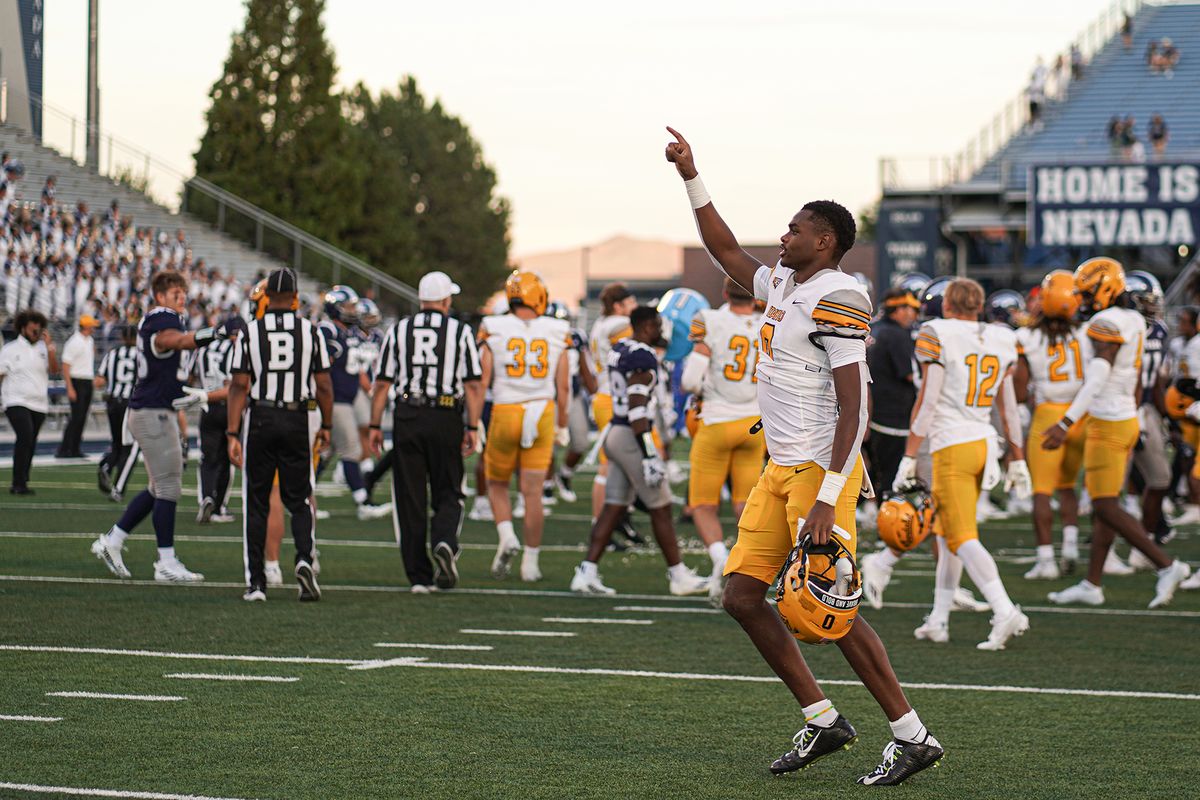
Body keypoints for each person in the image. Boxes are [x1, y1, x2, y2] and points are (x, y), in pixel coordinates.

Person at [666, 127, 942, 786]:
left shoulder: (837, 295)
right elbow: (723, 247)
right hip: (778, 465)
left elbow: (858, 407)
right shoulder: (783, 283)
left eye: (794, 230)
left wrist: (828, 495)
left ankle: (912, 735)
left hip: (820, 469)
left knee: (830, 608)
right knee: (741, 595)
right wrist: (691, 175)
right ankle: (823, 718)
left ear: (826, 242)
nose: (782, 237)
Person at [1045, 259, 1191, 608]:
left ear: (1104, 289)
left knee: (1104, 505)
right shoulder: (1135, 319)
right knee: (1105, 503)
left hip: (1108, 421)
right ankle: (1092, 583)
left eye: (1086, 292)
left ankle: (1167, 565)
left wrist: (1065, 423)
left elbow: (1097, 377)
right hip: (1125, 416)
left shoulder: (1106, 321)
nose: (1081, 299)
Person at [897, 278, 1032, 648]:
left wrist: (909, 453)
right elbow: (1008, 407)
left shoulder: (937, 332)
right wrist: (1018, 457)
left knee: (960, 536)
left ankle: (1005, 610)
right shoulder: (1001, 338)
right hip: (982, 444)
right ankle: (939, 619)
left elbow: (927, 400)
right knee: (947, 531)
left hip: (951, 446)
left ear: (946, 304)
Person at [89, 270, 232, 581]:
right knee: (168, 487)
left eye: (182, 292)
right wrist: (214, 333)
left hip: (156, 408)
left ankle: (112, 541)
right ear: (160, 296)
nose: (180, 297)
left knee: (159, 487)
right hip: (152, 411)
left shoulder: (165, 317)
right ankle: (165, 562)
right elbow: (174, 341)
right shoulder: (161, 318)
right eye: (173, 293)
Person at [569, 305, 709, 597]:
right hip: (631, 436)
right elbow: (636, 407)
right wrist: (648, 454)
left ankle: (586, 572)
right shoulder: (642, 355)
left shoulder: (621, 347)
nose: (660, 330)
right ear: (646, 325)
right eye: (657, 324)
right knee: (660, 507)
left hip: (615, 433)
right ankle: (678, 575)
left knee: (614, 506)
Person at [369, 271, 484, 593]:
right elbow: (474, 384)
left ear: (422, 300)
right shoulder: (460, 332)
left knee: (410, 497)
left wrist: (376, 425)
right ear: (446, 300)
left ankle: (419, 576)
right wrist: (472, 426)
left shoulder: (399, 330)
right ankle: (444, 540)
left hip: (408, 415)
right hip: (446, 414)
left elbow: (382, 384)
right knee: (449, 489)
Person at [226, 267, 332, 602]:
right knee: (299, 499)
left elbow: (239, 385)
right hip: (296, 417)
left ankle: (257, 583)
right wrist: (326, 425)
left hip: (261, 416)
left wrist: (231, 432)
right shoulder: (311, 332)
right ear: (297, 298)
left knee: (257, 502)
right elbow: (324, 385)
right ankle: (303, 557)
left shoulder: (251, 332)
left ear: (268, 296)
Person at [477, 271, 571, 582]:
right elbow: (563, 386)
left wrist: (474, 421)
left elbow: (483, 380)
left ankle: (506, 535)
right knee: (532, 494)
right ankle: (531, 562)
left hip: (506, 409)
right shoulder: (558, 329)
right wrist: (562, 424)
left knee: (497, 484)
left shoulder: (493, 326)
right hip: (541, 410)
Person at [679, 277, 764, 601]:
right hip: (755, 424)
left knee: (702, 505)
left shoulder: (711, 321)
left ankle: (720, 559)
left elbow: (689, 379)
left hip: (716, 421)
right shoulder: (767, 322)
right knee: (746, 503)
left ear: (725, 292)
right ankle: (749, 565)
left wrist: (703, 392)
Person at [1014, 271, 1086, 579]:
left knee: (1042, 491)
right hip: (1080, 416)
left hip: (1047, 415)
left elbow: (1019, 391)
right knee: (1069, 486)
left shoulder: (1027, 337)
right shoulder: (1086, 333)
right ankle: (1070, 546)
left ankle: (1047, 560)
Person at [319, 285, 391, 521]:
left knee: (326, 452)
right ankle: (363, 502)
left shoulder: (349, 332)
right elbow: (320, 368)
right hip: (335, 399)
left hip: (347, 397)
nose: (353, 311)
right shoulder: (328, 330)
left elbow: (355, 366)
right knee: (351, 449)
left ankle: (300, 495)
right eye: (348, 307)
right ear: (335, 308)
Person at [865, 288, 920, 509]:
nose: (913, 315)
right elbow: (909, 374)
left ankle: (874, 511)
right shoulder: (896, 334)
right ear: (898, 309)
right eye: (909, 309)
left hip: (873, 410)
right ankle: (889, 530)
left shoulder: (875, 329)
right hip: (893, 415)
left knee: (877, 471)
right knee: (892, 476)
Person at [588, 283, 638, 519]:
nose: (635, 307)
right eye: (630, 303)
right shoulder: (619, 325)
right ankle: (600, 521)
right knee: (607, 465)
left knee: (621, 463)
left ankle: (618, 518)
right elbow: (634, 356)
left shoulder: (601, 324)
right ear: (618, 306)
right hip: (613, 398)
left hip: (606, 393)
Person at [0, 309, 58, 494]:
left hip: (39, 402)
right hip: (15, 399)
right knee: (25, 436)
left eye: (39, 329)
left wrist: (49, 348)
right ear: (23, 328)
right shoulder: (10, 349)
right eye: (33, 329)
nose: (37, 332)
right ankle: (18, 483)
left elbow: (55, 370)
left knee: (31, 441)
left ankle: (23, 478)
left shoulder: (44, 348)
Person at [190, 313, 239, 524]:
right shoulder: (235, 349)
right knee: (227, 459)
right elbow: (233, 385)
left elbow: (189, 376)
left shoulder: (203, 349)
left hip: (207, 406)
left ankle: (206, 497)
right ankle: (218, 507)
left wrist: (205, 391)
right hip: (230, 408)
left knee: (208, 459)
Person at [95, 324, 140, 499]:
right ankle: (118, 488)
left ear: (121, 337)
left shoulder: (112, 354)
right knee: (130, 448)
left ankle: (106, 467)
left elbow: (99, 381)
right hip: (130, 404)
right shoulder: (141, 356)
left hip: (113, 402)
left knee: (116, 443)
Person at [58, 314, 100, 458]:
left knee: (82, 417)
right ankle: (65, 448)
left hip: (86, 380)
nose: (94, 328)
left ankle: (75, 448)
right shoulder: (74, 341)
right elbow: (65, 365)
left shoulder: (88, 340)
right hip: (77, 380)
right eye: (92, 326)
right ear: (86, 326)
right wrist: (69, 387)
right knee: (76, 416)